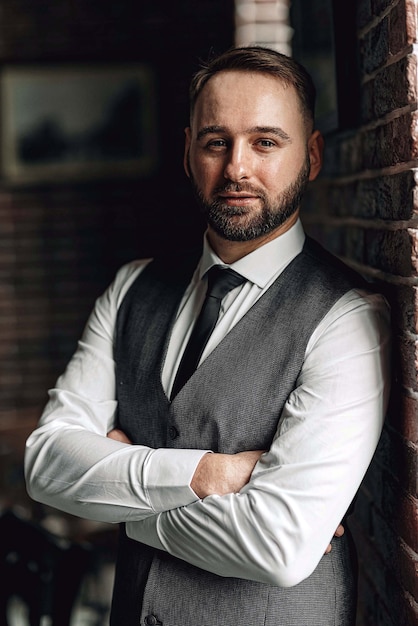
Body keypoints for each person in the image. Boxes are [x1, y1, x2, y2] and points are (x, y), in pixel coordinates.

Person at [25, 46, 391, 626]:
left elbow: (279, 544)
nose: (237, 168)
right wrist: (206, 475)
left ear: (312, 156)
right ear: (189, 151)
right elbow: (45, 465)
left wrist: (115, 497)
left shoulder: (348, 319)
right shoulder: (131, 287)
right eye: (216, 141)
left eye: (266, 142)